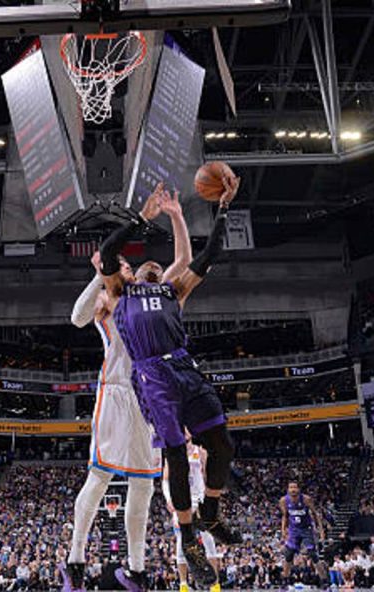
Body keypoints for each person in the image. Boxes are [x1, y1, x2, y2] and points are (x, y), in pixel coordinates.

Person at [98, 174, 241, 588]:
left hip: (185, 367)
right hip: (152, 375)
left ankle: (210, 512)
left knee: (221, 445)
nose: (154, 267)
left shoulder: (172, 290)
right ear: (135, 274)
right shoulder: (120, 293)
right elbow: (108, 251)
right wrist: (143, 218)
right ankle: (188, 539)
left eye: (158, 267)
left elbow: (210, 251)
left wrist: (224, 206)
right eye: (148, 265)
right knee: (176, 455)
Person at [62, 182, 193, 592]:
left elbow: (184, 262)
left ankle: (137, 572)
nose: (133, 268)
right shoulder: (111, 298)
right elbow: (76, 318)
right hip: (118, 391)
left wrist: (175, 215)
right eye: (124, 266)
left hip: (150, 394)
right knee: (99, 476)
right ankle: (76, 563)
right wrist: (98, 276)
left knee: (143, 482)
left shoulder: (153, 295)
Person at [162, 438, 221, 592]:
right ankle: (183, 584)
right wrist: (169, 499)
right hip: (181, 499)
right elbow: (165, 479)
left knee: (208, 540)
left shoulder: (200, 449)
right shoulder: (172, 453)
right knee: (182, 541)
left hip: (199, 498)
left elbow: (210, 475)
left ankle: (214, 583)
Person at [278, 482, 324, 580]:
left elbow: (316, 514)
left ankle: (324, 579)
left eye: (295, 487)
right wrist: (283, 530)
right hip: (293, 529)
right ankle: (285, 579)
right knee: (289, 554)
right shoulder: (283, 501)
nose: (293, 489)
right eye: (291, 487)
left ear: (299, 489)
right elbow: (285, 516)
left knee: (312, 554)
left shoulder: (306, 499)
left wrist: (321, 531)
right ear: (288, 489)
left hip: (306, 529)